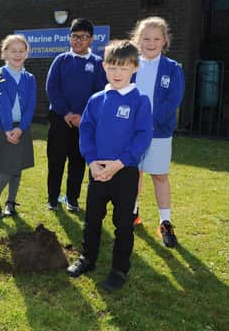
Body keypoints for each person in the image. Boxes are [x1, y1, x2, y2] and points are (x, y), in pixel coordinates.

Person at [67, 40, 152, 291]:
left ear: (135, 68)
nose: (117, 73)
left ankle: (119, 269)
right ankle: (87, 258)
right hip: (97, 170)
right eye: (112, 67)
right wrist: (92, 162)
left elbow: (142, 136)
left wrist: (120, 163)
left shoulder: (140, 100)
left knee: (123, 224)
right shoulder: (96, 99)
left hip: (124, 172)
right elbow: (86, 131)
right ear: (104, 66)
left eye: (124, 68)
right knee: (92, 218)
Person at [130, 16, 185, 248]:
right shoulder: (130, 64)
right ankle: (132, 213)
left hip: (159, 132)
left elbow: (173, 100)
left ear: (164, 41)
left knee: (160, 176)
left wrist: (150, 121)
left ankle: (165, 223)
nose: (150, 43)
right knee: (134, 174)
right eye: (146, 38)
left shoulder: (173, 69)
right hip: (131, 132)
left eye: (156, 38)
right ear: (137, 40)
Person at [45, 18, 107, 212]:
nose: (78, 40)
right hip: (60, 119)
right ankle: (53, 199)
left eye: (83, 37)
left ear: (91, 39)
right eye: (74, 36)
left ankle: (72, 199)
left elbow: (99, 93)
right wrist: (67, 113)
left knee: (78, 162)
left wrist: (83, 117)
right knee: (56, 161)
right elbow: (52, 88)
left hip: (85, 123)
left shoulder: (97, 64)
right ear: (69, 38)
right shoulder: (61, 60)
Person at [0, 34, 37, 218]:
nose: (17, 55)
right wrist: (8, 128)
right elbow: (3, 103)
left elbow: (31, 105)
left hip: (21, 128)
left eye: (21, 51)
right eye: (13, 51)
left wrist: (21, 128)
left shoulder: (29, 78)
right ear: (5, 53)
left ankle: (11, 202)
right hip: (4, 127)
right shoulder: (0, 74)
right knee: (8, 167)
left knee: (17, 166)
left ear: (26, 54)